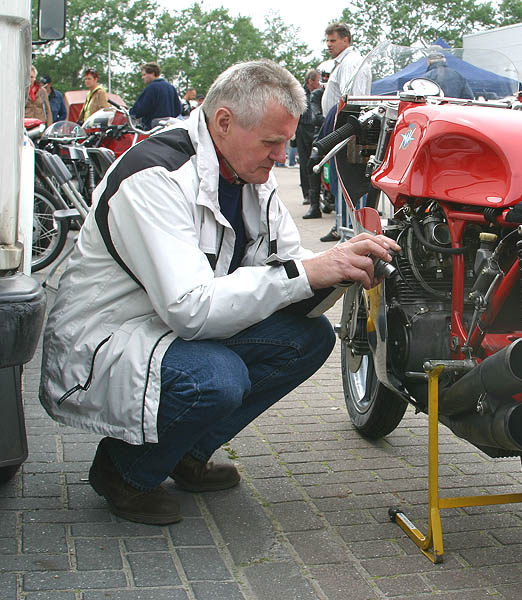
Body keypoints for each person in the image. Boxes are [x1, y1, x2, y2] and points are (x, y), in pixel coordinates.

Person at [38, 59, 400, 525]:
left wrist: (340, 268)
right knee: (217, 379)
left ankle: (186, 452)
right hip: (110, 337)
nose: (281, 156)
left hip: (165, 330)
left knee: (310, 341)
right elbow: (191, 309)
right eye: (272, 142)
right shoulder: (155, 177)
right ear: (224, 121)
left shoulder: (249, 176)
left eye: (286, 142)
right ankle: (123, 470)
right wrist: (311, 271)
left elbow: (286, 270)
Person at [315, 22, 369, 240]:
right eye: (327, 41)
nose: (329, 45)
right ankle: (344, 228)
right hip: (341, 129)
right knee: (340, 184)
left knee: (348, 184)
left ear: (345, 40)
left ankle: (351, 232)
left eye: (333, 40)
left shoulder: (350, 63)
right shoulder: (344, 63)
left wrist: (345, 131)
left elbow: (351, 101)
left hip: (345, 130)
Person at [297, 69, 323, 213]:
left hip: (315, 129)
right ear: (310, 81)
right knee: (305, 161)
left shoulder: (320, 94)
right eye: (318, 80)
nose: (320, 83)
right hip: (302, 129)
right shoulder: (300, 93)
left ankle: (320, 197)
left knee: (314, 161)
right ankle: (307, 194)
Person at [129, 62, 182, 130]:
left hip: (153, 130)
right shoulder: (171, 88)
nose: (142, 77)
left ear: (152, 73)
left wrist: (131, 113)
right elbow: (178, 109)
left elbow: (140, 108)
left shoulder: (151, 88)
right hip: (169, 129)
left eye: (144, 75)